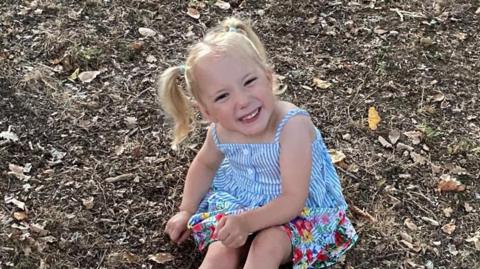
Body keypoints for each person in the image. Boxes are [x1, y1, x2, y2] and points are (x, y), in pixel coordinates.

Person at [160, 17, 357, 269]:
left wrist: (246, 223)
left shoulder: (291, 126)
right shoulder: (221, 132)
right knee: (222, 248)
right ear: (207, 111)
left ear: (268, 77)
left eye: (249, 82)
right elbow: (205, 165)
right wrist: (187, 209)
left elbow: (293, 199)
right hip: (241, 202)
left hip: (295, 212)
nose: (242, 100)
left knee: (267, 245)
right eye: (223, 95)